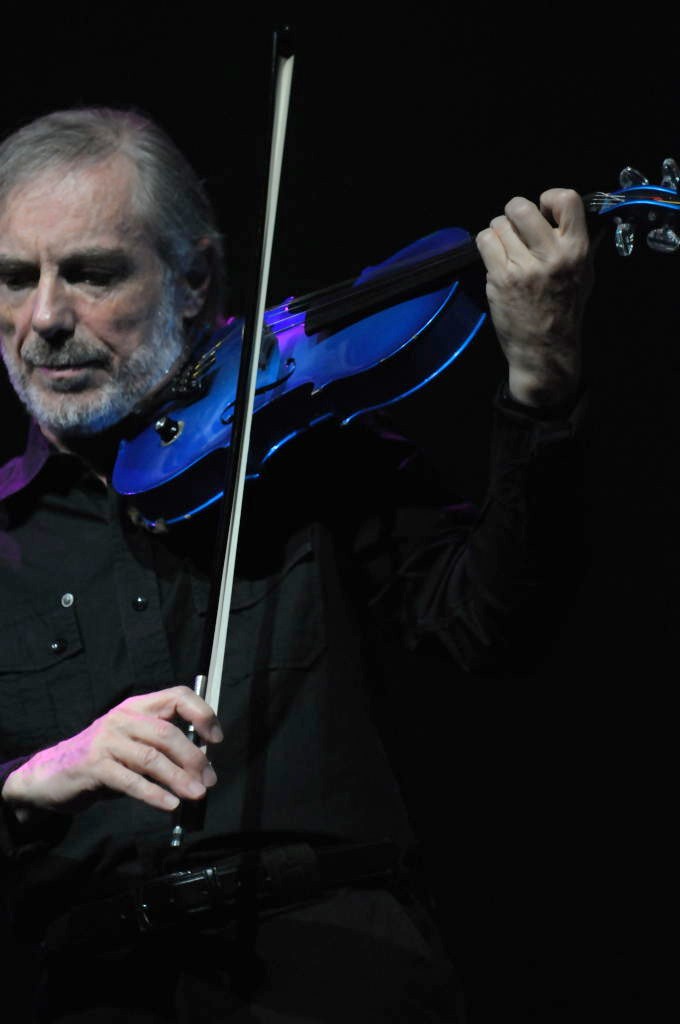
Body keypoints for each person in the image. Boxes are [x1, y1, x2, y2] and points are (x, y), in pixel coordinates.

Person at [0, 107, 592, 1023]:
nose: (44, 318)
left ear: (194, 281)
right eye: (13, 278)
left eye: (92, 273)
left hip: (333, 969)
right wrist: (32, 777)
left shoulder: (304, 451)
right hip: (93, 990)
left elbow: (494, 628)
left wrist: (542, 388)